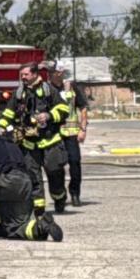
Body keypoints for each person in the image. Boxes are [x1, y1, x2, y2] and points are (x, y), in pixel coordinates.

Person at [1, 61, 73, 214]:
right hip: (29, 143)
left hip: (50, 141)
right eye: (21, 75)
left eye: (26, 74)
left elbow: (64, 109)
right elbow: (8, 113)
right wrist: (1, 128)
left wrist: (48, 115)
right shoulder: (19, 93)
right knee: (33, 177)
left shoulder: (49, 90)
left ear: (35, 74)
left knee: (54, 171)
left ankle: (59, 197)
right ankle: (38, 209)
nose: (23, 77)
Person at [61, 73, 90, 207]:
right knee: (55, 167)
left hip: (72, 133)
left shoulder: (73, 87)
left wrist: (83, 129)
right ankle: (59, 195)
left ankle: (75, 194)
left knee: (75, 162)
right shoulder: (49, 88)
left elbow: (83, 107)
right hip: (55, 134)